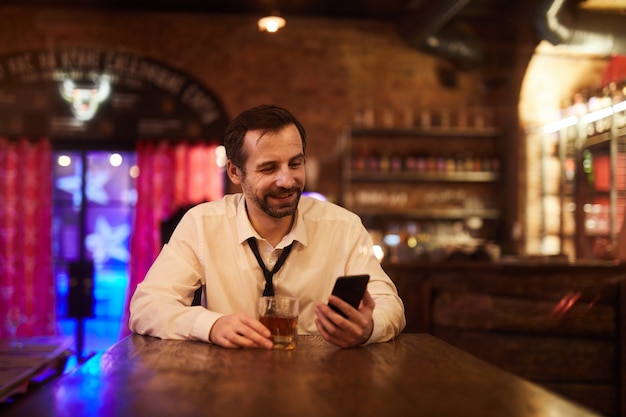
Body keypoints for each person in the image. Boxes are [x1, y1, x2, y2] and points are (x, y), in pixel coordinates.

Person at [129, 104, 406, 348]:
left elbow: (390, 307)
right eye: (269, 168)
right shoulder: (202, 224)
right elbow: (146, 306)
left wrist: (367, 329)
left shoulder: (342, 226)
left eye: (295, 164)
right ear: (235, 172)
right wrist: (212, 326)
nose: (287, 180)